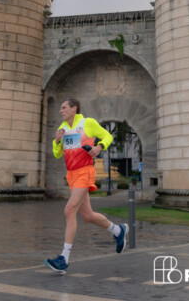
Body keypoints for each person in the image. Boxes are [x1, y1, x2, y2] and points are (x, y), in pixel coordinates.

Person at [45, 98, 128, 274]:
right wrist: (57, 141)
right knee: (88, 216)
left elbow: (108, 136)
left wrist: (99, 147)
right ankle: (117, 230)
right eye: (60, 108)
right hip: (71, 175)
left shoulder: (87, 123)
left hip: (85, 172)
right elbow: (57, 154)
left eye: (64, 107)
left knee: (69, 210)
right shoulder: (63, 128)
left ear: (74, 108)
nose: (60, 111)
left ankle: (64, 258)